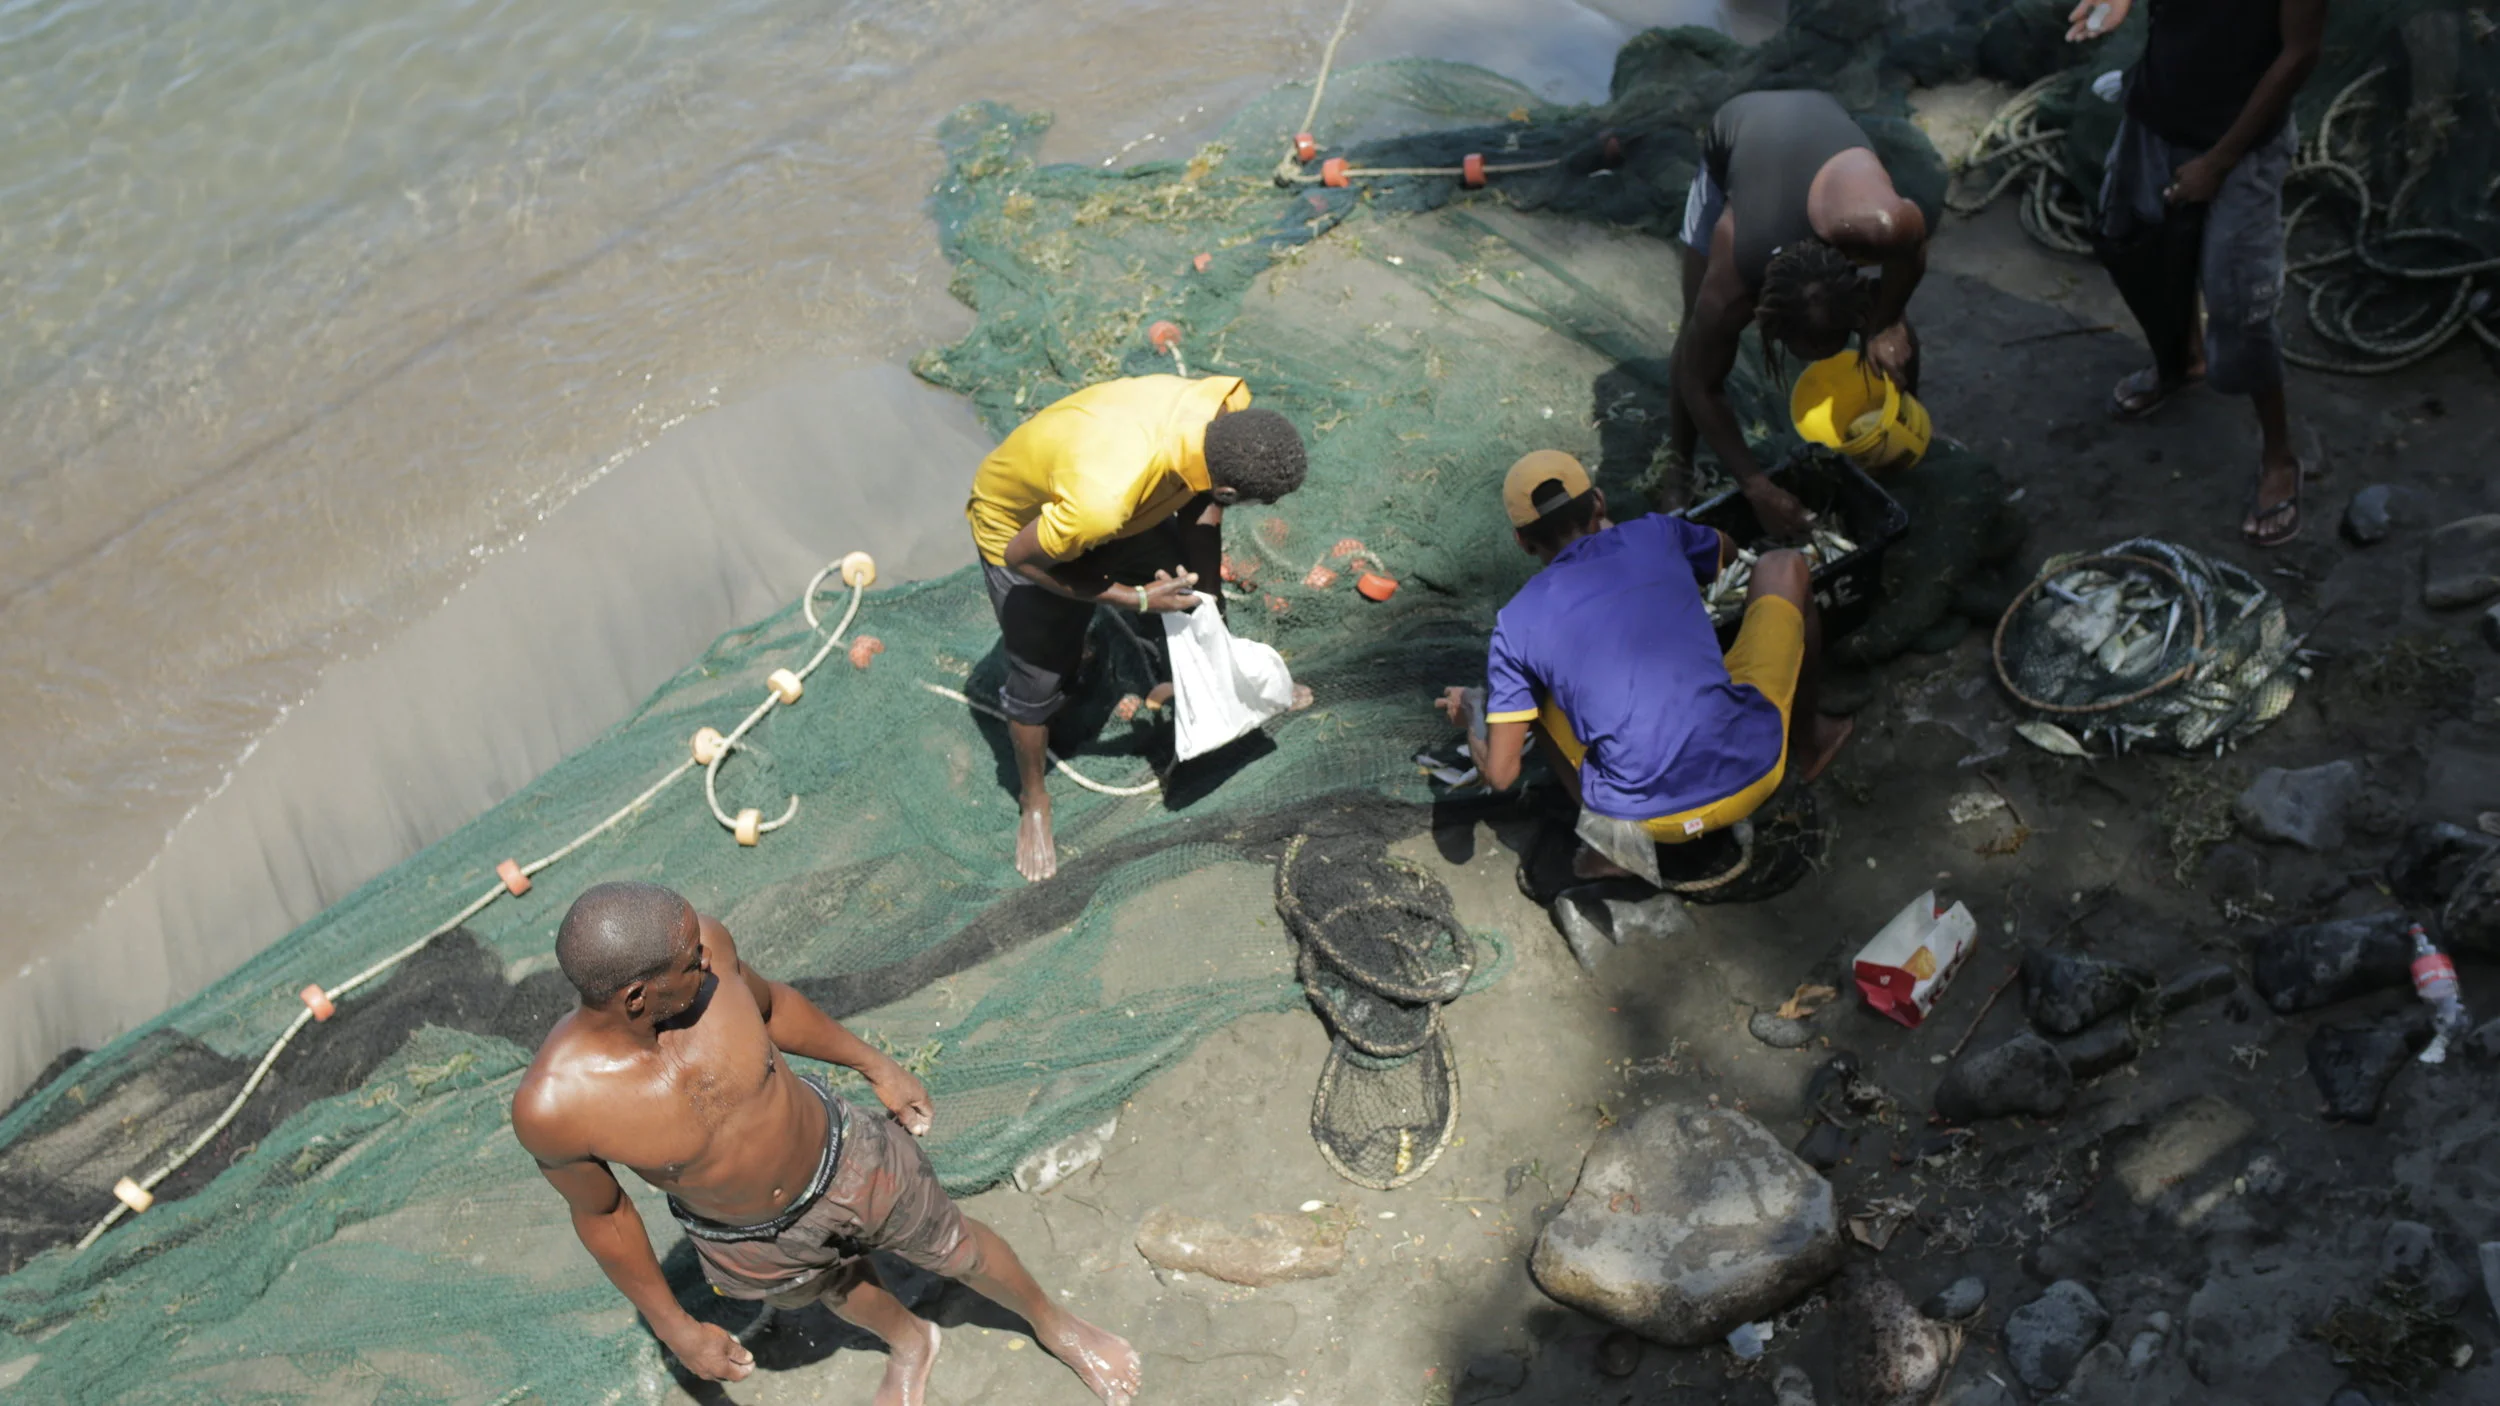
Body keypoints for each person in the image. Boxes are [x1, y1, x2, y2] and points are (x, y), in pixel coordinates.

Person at [512, 882, 1140, 1405]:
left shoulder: (712, 952)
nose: (705, 957)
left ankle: (1054, 1324)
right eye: (689, 960)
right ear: (636, 998)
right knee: (834, 1289)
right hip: (746, 1238)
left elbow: (774, 1009)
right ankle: (910, 1341)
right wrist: (674, 1327)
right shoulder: (556, 1107)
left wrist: (876, 1065)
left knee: (959, 1249)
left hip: (847, 1158)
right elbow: (604, 1216)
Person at [1435, 452, 1851, 879]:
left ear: (1522, 542)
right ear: (1599, 502)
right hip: (1757, 769)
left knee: (1529, 702)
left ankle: (1611, 848)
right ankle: (1810, 743)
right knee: (1782, 565)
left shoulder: (1515, 623)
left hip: (1646, 820)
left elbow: (1501, 775)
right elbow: (1725, 553)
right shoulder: (1656, 533)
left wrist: (1475, 710)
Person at [966, 374, 1309, 882]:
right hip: (1024, 533)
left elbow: (1204, 506)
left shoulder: (1222, 409)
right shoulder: (1101, 501)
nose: (1267, 510)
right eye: (1258, 502)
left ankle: (1229, 681)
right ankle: (1033, 798)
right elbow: (1023, 560)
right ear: (1229, 488)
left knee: (1191, 592)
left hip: (1121, 507)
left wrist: (1209, 606)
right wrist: (1138, 598)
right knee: (1041, 678)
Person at [2070, 0, 2325, 546]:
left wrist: (2218, 162)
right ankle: (2180, 362)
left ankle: (2278, 455)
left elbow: (2300, 53)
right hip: (2155, 112)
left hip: (2241, 145)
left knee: (2240, 305)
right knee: (2134, 244)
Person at [1666, 90, 1934, 538]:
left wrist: (1887, 321)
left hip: (1819, 122)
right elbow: (1699, 382)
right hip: (1740, 129)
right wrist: (1756, 487)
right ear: (1761, 317)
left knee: (1892, 330)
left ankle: (1903, 419)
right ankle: (1677, 469)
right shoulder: (1730, 286)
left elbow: (1914, 248)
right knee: (1694, 335)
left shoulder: (1882, 225)